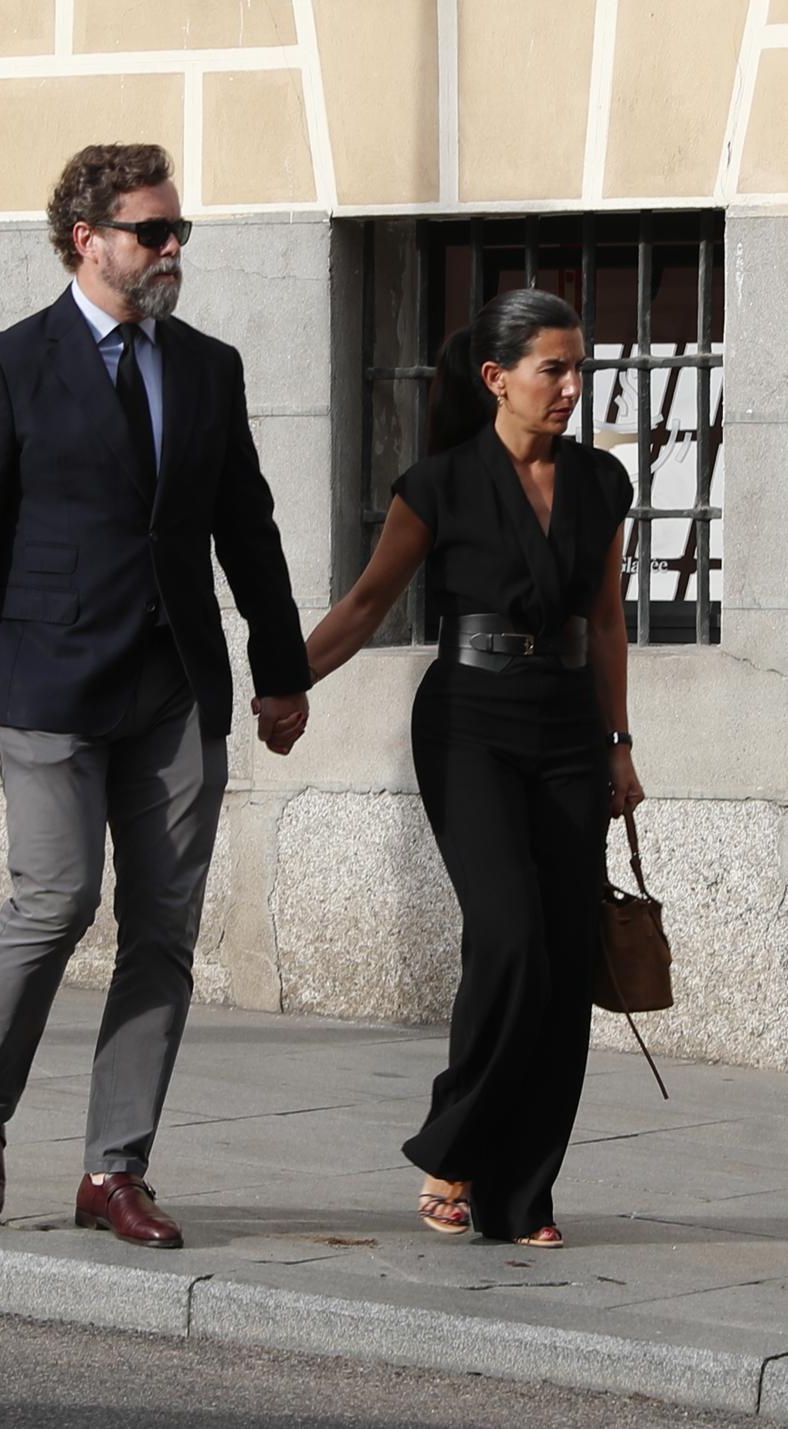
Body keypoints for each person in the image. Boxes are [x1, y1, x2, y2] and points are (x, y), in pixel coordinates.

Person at [0, 142, 310, 1248]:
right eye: (152, 231)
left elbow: (248, 531)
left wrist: (280, 674)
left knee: (163, 931)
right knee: (53, 899)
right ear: (87, 240)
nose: (171, 247)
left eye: (178, 230)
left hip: (175, 689)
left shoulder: (206, 366)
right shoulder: (6, 365)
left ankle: (112, 1170)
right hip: (45, 681)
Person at [305, 289, 643, 1248]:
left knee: (565, 952)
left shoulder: (600, 484)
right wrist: (284, 685)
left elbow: (609, 620)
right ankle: (457, 1145)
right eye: (555, 369)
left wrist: (619, 744)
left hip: (571, 728)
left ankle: (520, 1192)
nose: (573, 386)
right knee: (509, 939)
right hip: (469, 726)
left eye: (581, 368)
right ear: (497, 378)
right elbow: (369, 604)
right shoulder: (439, 484)